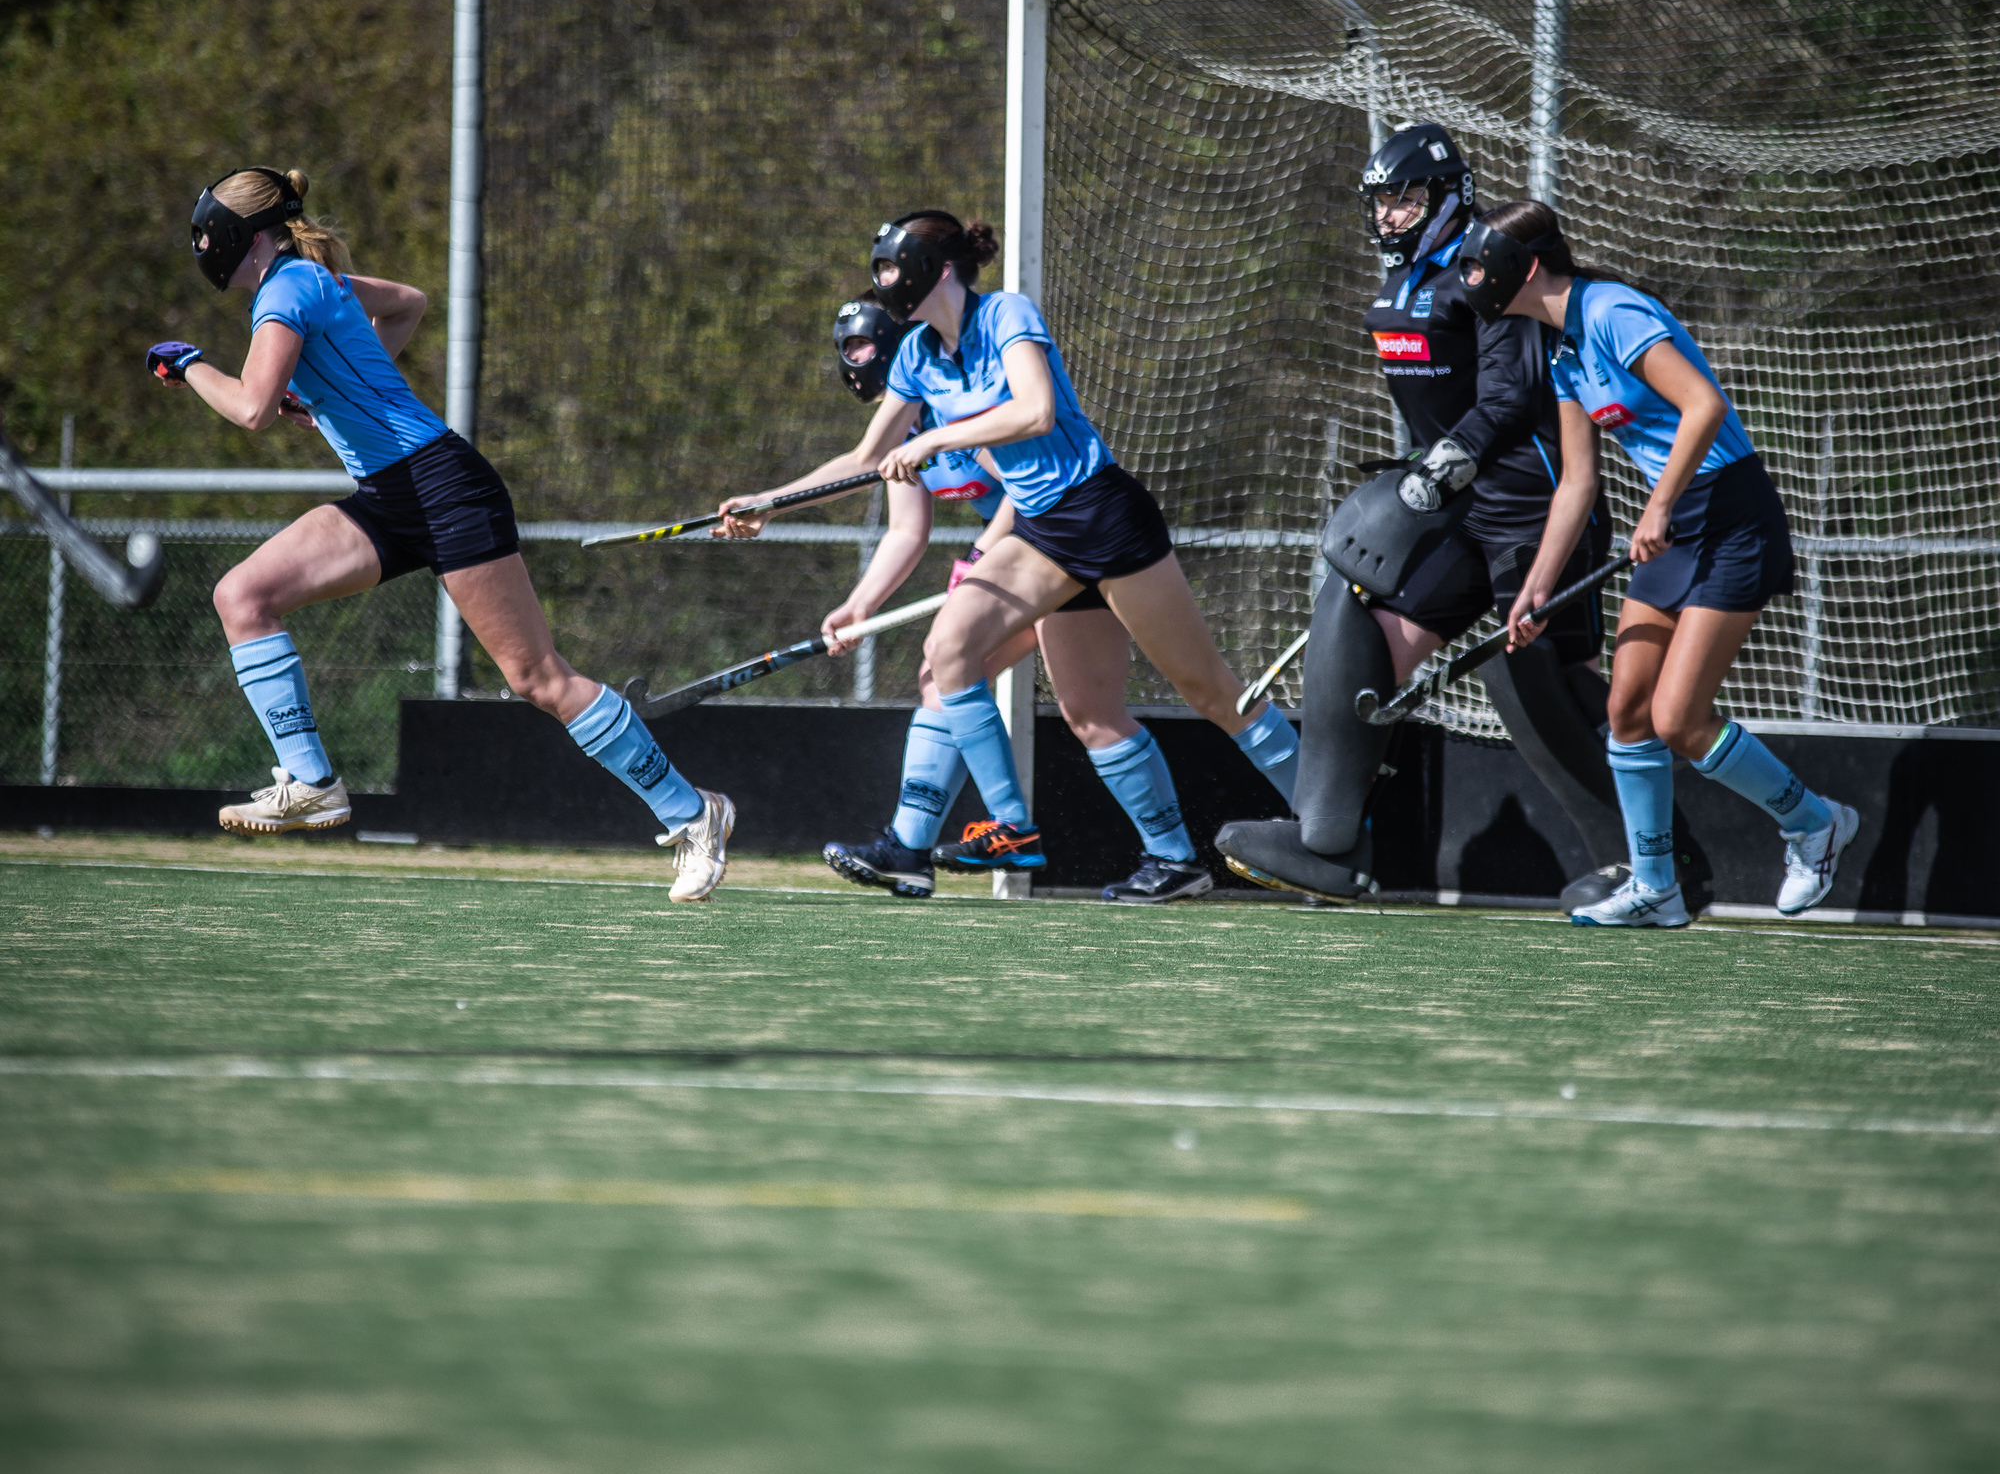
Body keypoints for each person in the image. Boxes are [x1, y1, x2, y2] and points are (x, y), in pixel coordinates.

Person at [147, 164, 734, 895]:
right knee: (243, 596)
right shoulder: (313, 278)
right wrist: (333, 396)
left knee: (538, 679)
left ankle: (694, 812)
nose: (201, 245)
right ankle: (311, 780)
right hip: (389, 493)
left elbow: (252, 410)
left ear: (240, 234)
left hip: (442, 486)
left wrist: (189, 364)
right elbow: (409, 306)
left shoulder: (286, 290)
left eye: (207, 233)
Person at [720, 214, 1301, 891]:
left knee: (1210, 691)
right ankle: (1088, 844)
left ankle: (1336, 830)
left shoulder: (1004, 315)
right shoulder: (913, 355)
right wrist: (770, 502)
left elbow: (1036, 411)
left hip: (1101, 513)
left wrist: (936, 440)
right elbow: (864, 457)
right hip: (1045, 532)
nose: (881, 282)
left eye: (889, 268)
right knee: (958, 656)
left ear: (937, 269)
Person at [1217, 122, 1704, 909]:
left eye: (1406, 200)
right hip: (1461, 512)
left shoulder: (1484, 274)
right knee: (1360, 631)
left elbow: (1510, 397)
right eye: (1383, 202)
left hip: (1538, 509)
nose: (1391, 216)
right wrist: (1421, 471)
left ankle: (1653, 861)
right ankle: (1329, 842)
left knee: (1543, 680)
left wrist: (1451, 459)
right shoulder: (1396, 287)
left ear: (1449, 196)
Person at [1462, 198, 1857, 927]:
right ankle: (1657, 888)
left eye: (1479, 260)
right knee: (1627, 711)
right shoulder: (1564, 352)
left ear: (1527, 264)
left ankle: (1814, 821)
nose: (1471, 275)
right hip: (1676, 523)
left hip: (1732, 516)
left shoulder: (1613, 311)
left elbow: (1704, 405)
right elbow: (1578, 483)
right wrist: (1536, 591)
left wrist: (1658, 507)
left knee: (1678, 718)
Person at [812, 299, 1211, 903]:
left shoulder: (955, 413)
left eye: (868, 352)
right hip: (1026, 560)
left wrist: (981, 556)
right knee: (965, 683)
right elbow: (905, 532)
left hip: (1060, 548)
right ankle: (911, 849)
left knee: (1069, 707)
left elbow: (1026, 484)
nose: (860, 366)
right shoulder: (917, 435)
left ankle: (1159, 854)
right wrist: (860, 603)